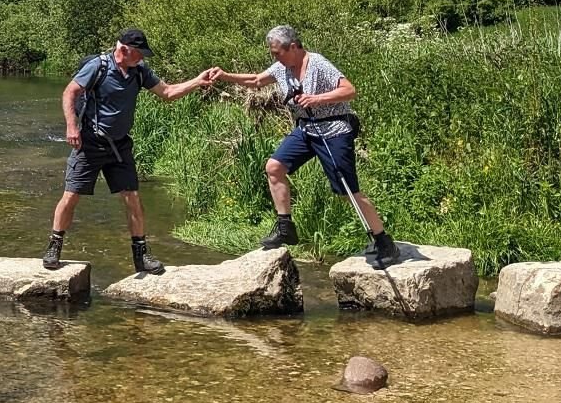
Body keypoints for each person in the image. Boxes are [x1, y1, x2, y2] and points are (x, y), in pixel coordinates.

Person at [204, 25, 402, 268]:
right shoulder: (282, 66)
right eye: (272, 53)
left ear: (294, 47)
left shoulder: (317, 63)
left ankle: (384, 242)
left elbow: (349, 90)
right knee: (274, 167)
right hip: (307, 129)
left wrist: (317, 98)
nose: (274, 57)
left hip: (334, 129)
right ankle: (285, 226)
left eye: (277, 52)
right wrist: (224, 75)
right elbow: (256, 80)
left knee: (346, 191)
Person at [42, 27, 212, 275]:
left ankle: (142, 256)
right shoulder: (98, 67)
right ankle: (54, 247)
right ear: (124, 50)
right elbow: (70, 92)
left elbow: (167, 93)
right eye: (139, 53)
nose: (142, 58)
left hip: (120, 146)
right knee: (71, 196)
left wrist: (198, 80)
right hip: (89, 143)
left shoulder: (139, 71)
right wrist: (72, 127)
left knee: (132, 198)